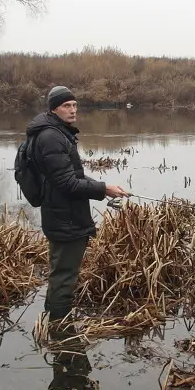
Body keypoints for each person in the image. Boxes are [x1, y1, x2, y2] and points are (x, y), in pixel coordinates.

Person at [26, 85, 129, 323]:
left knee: (60, 273)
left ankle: (53, 324)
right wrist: (104, 189)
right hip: (65, 218)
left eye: (74, 105)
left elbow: (72, 177)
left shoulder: (56, 132)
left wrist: (104, 188)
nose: (73, 110)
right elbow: (67, 184)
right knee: (64, 276)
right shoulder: (51, 137)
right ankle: (61, 334)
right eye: (66, 106)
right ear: (54, 108)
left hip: (62, 214)